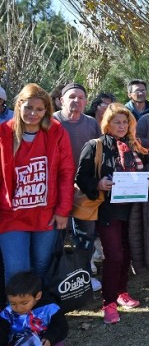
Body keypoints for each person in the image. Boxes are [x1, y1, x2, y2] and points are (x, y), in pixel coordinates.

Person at [75, 103, 149, 324]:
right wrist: (99, 183)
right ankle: (108, 302)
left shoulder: (137, 146)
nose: (121, 126)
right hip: (108, 211)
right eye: (116, 122)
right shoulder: (95, 146)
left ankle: (122, 292)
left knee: (127, 253)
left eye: (125, 122)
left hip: (134, 211)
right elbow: (81, 178)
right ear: (107, 124)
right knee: (114, 256)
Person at [0, 84, 73, 282]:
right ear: (18, 106)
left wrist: (62, 210)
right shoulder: (3, 133)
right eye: (28, 107)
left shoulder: (56, 132)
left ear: (47, 110)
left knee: (42, 266)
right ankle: (17, 313)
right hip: (11, 214)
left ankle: (37, 312)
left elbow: (66, 172)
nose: (33, 113)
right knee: (16, 270)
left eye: (39, 109)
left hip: (46, 213)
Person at [52, 83, 103, 291]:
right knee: (57, 238)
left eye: (81, 97)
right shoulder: (52, 121)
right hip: (56, 189)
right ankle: (56, 280)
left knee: (85, 236)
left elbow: (101, 151)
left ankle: (84, 275)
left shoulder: (91, 123)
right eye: (72, 97)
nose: (77, 101)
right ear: (61, 100)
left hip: (84, 188)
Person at [0, 272, 68, 346]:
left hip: (45, 340)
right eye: (13, 303)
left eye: (24, 303)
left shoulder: (50, 308)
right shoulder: (7, 313)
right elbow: (2, 332)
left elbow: (60, 326)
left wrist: (50, 338)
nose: (18, 308)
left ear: (38, 296)